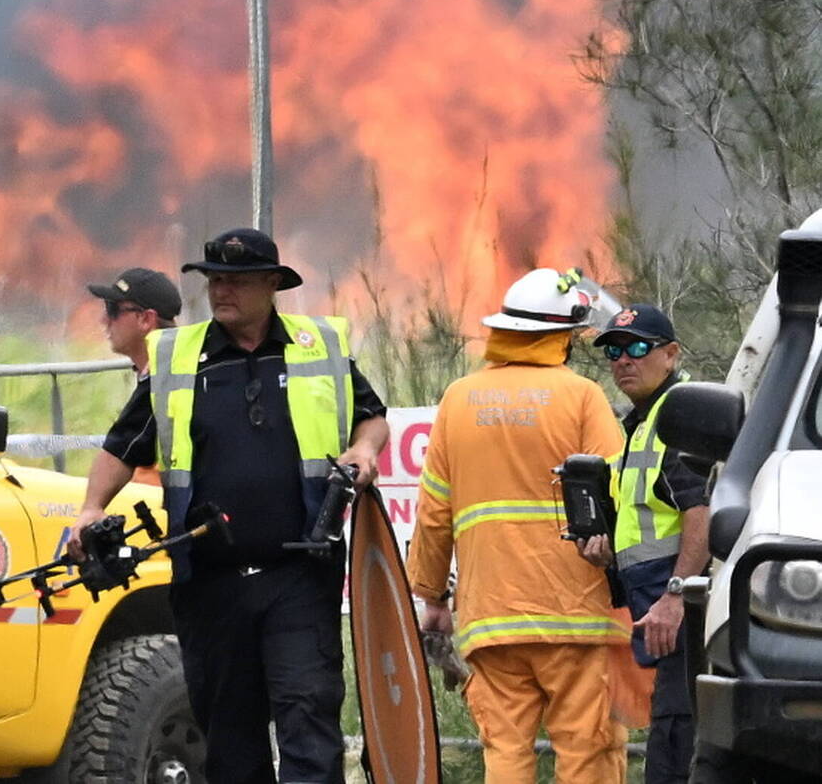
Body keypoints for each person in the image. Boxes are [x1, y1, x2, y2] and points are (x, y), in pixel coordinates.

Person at [81, 228, 388, 784]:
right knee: (230, 737)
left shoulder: (317, 347)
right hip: (211, 584)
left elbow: (371, 413)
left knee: (308, 715)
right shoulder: (178, 358)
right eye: (214, 279)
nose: (222, 290)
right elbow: (121, 446)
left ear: (273, 284)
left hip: (300, 573)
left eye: (237, 281)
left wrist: (365, 449)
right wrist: (88, 508)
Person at [406, 267, 628, 784]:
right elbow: (618, 492)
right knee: (587, 750)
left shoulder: (458, 399)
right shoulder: (582, 397)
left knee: (504, 753)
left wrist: (433, 598)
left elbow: (435, 513)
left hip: (493, 618)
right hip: (577, 614)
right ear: (562, 336)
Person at [575, 304, 711, 784]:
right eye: (613, 350)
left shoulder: (679, 421)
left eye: (637, 348)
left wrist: (677, 594)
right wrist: (608, 552)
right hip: (661, 610)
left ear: (671, 354)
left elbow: (701, 513)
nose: (622, 360)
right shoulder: (644, 422)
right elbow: (655, 522)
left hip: (689, 616)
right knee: (672, 735)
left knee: (676, 749)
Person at [85, 266, 180, 485]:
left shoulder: (166, 379)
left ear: (145, 319)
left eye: (113, 310)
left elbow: (120, 451)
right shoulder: (166, 371)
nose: (103, 320)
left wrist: (92, 507)